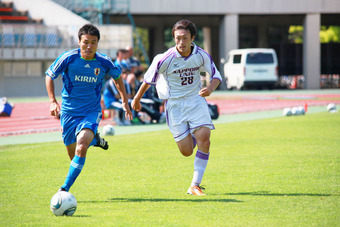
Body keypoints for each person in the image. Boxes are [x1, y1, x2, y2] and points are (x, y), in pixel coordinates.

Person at [131, 19, 222, 196]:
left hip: (196, 101)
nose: (181, 42)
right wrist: (136, 99)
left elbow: (216, 75)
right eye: (178, 38)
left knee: (205, 138)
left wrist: (210, 88)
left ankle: (195, 185)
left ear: (192, 37)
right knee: (187, 151)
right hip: (175, 106)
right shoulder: (164, 58)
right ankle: (192, 134)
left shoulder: (201, 55)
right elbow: (148, 80)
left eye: (185, 38)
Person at [45, 24, 133, 193]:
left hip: (91, 112)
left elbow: (117, 77)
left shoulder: (103, 61)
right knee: (73, 155)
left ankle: (64, 190)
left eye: (93, 42)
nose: (89, 46)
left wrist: (125, 101)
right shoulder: (68, 58)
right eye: (86, 42)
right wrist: (52, 101)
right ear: (79, 42)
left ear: (97, 44)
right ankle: (95, 140)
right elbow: (49, 75)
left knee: (81, 146)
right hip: (69, 113)